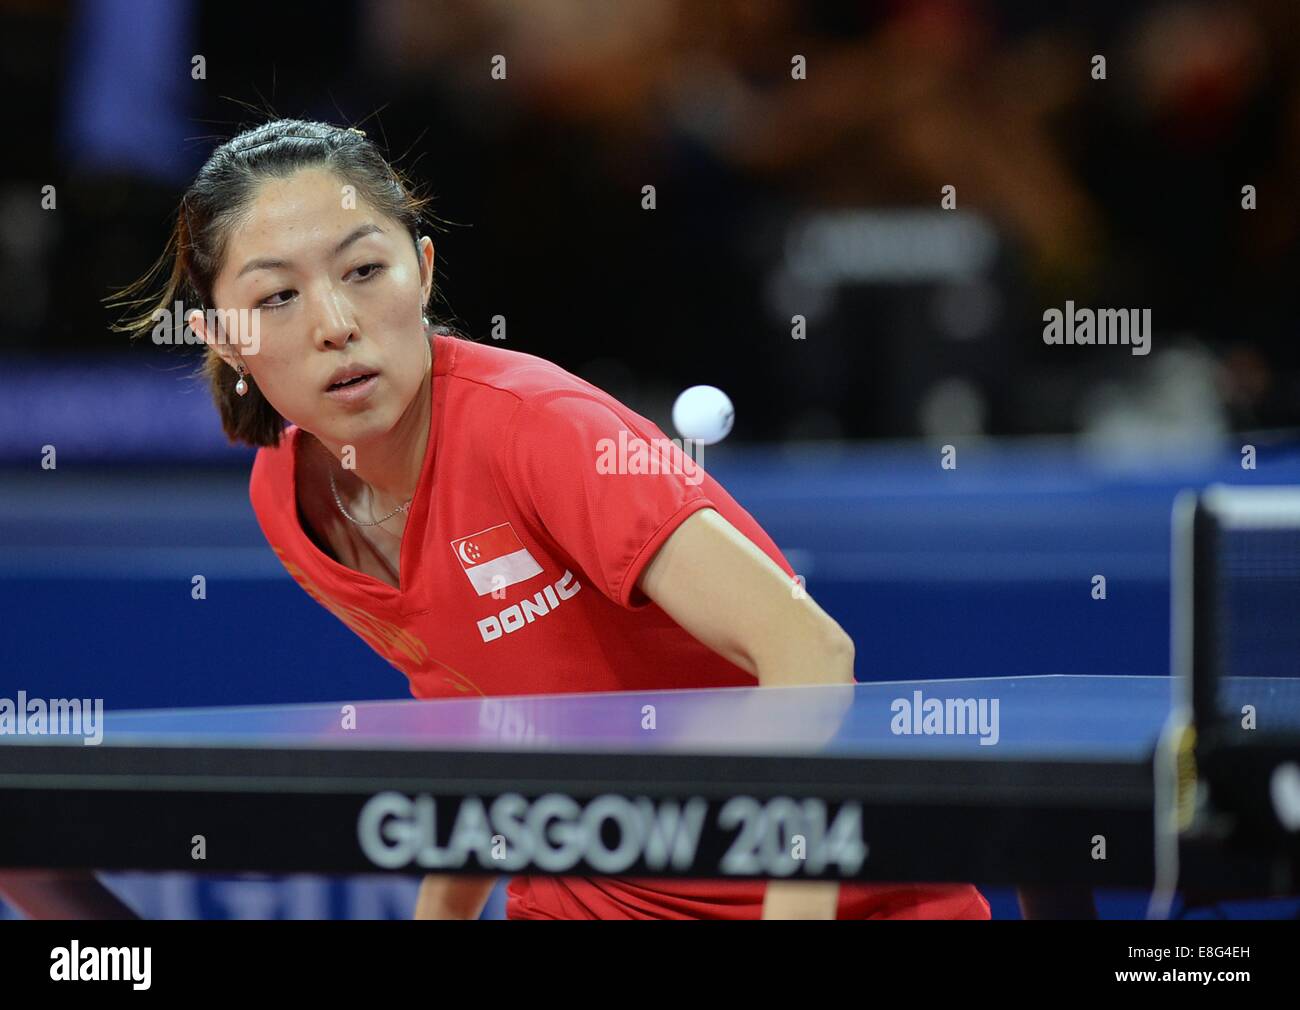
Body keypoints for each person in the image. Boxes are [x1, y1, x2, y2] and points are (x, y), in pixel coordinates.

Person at [76, 119, 986, 921]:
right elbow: (484, 731)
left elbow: (810, 653)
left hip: (831, 898)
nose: (336, 323)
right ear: (223, 337)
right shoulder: (286, 501)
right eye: (277, 296)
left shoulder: (541, 432)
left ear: (422, 272)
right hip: (585, 898)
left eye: (364, 270)